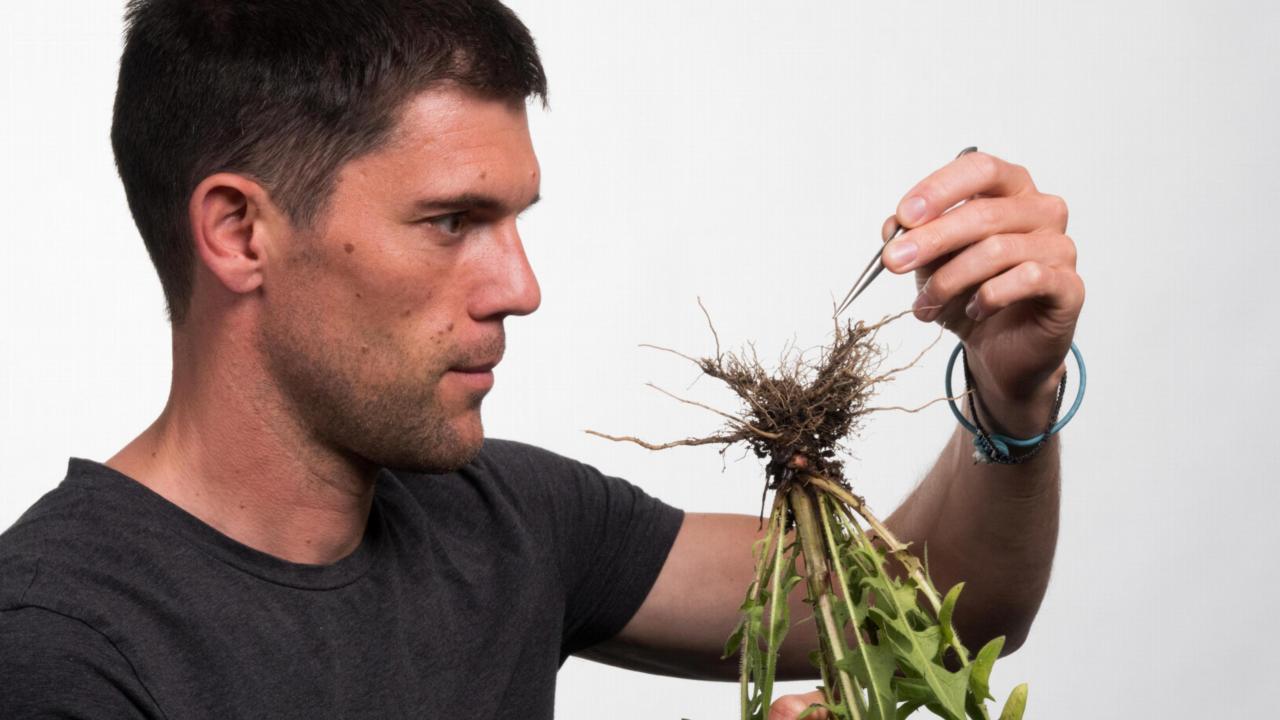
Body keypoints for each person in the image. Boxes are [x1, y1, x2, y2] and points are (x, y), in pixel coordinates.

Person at [0, 1, 1082, 718]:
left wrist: (1009, 392)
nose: (520, 287)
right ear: (241, 234)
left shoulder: (505, 519)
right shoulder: (61, 647)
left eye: (513, 219)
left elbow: (945, 601)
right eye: (449, 221)